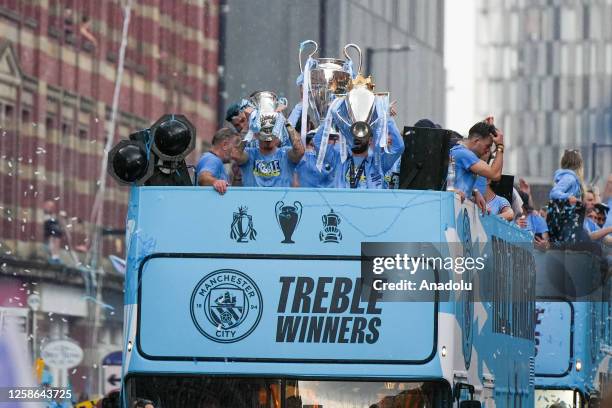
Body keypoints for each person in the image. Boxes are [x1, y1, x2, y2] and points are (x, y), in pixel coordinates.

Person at [313, 114, 404, 189]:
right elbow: (317, 142)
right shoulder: (339, 160)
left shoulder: (379, 162)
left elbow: (398, 147)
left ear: (370, 140)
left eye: (362, 135)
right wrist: (331, 116)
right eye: (353, 135)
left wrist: (385, 116)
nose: (357, 138)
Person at [232, 113, 304, 187]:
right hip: (254, 198)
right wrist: (250, 127)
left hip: (280, 198)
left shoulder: (285, 154)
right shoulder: (250, 154)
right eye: (264, 131)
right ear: (257, 134)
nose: (268, 137)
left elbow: (300, 151)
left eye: (271, 131)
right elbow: (236, 154)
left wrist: (287, 123)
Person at [450, 118, 504, 212]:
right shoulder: (464, 154)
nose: (488, 151)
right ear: (476, 141)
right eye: (487, 146)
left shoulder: (461, 152)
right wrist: (500, 146)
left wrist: (475, 192)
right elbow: (495, 175)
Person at [547, 149, 587, 244]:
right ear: (579, 164)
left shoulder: (570, 178)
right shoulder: (570, 178)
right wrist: (569, 197)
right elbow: (554, 193)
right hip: (567, 223)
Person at [196, 128, 237, 194]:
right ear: (225, 145)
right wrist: (216, 182)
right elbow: (203, 178)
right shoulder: (213, 159)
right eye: (235, 146)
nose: (236, 151)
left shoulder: (212, 159)